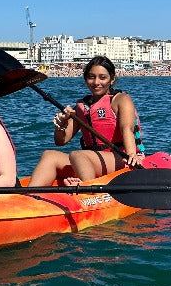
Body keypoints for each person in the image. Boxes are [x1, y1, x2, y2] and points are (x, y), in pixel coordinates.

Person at [28, 55, 145, 187]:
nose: (96, 82)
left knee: (78, 155)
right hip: (92, 161)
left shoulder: (121, 99)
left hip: (120, 157)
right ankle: (28, 197)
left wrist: (131, 155)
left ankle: (88, 189)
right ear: (85, 79)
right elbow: (61, 141)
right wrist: (61, 124)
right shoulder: (82, 107)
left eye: (102, 77)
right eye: (91, 77)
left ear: (112, 79)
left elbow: (127, 129)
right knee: (49, 155)